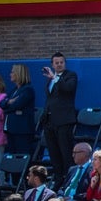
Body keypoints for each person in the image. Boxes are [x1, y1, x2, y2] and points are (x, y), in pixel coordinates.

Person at [38, 53, 78, 186]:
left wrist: (55, 78)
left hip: (64, 121)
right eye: (56, 63)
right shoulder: (50, 80)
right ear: (52, 64)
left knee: (65, 152)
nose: (59, 64)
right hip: (50, 122)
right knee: (54, 153)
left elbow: (67, 89)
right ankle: (58, 179)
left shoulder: (70, 76)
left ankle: (68, 180)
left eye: (61, 62)